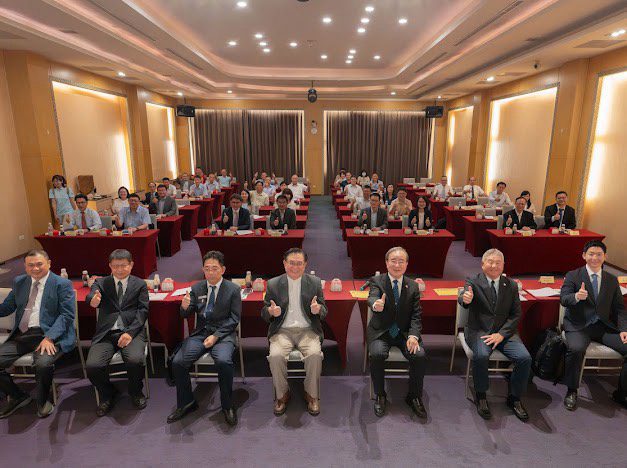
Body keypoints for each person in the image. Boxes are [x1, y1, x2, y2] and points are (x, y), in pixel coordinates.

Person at [167, 251, 241, 425]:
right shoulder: (197, 288)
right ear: (203, 270)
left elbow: (234, 319)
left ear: (223, 269)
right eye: (207, 269)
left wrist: (216, 336)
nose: (210, 272)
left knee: (223, 361)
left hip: (223, 334)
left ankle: (227, 405)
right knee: (178, 362)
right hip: (201, 333)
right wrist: (184, 307)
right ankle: (187, 402)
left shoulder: (233, 289)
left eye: (215, 268)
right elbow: (186, 313)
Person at [458, 248, 532, 422]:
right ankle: (481, 396)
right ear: (483, 264)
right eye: (490, 262)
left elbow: (516, 314)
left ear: (503, 265)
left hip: (505, 333)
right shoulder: (473, 281)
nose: (494, 266)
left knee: (525, 358)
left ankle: (515, 398)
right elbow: (464, 297)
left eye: (498, 263)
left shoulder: (511, 285)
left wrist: (501, 334)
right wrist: (465, 299)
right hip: (479, 331)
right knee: (481, 355)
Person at [0, 250, 75, 419]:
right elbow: (7, 307)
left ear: (49, 263)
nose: (35, 268)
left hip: (49, 334)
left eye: (39, 264)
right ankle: (18, 396)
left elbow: (66, 315)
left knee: (43, 364)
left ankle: (43, 400)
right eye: (31, 265)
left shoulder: (61, 284)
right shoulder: (20, 282)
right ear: (25, 267)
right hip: (24, 334)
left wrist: (50, 337)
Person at [559, 240, 627, 411]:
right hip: (578, 326)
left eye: (599, 254)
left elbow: (619, 308)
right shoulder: (573, 275)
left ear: (605, 257)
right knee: (576, 349)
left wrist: (624, 329)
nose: (595, 258)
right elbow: (564, 299)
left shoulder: (612, 280)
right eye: (591, 254)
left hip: (603, 327)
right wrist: (576, 296)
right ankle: (572, 390)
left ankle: (622, 393)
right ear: (584, 255)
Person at [262, 248, 327, 416]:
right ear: (284, 264)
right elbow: (264, 312)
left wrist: (318, 309)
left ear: (305, 265)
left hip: (308, 330)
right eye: (291, 263)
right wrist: (270, 312)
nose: (295, 267)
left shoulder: (315, 282)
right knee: (275, 356)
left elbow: (324, 310)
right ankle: (282, 394)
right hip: (282, 331)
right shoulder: (273, 284)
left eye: (299, 263)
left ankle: (311, 394)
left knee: (314, 355)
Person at [85, 249, 149, 416]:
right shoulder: (101, 282)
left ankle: (136, 392)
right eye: (115, 266)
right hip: (106, 334)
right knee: (92, 366)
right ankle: (107, 394)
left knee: (135, 360)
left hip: (131, 331)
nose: (119, 270)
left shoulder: (140, 284)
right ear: (110, 266)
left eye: (123, 265)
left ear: (131, 265)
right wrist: (93, 301)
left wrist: (130, 333)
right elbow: (91, 296)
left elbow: (143, 311)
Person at [368, 247, 427, 418]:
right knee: (377, 354)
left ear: (407, 264)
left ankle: (414, 396)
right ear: (386, 263)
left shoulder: (413, 285)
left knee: (419, 355)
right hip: (381, 332)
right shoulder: (377, 281)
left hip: (404, 333)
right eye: (393, 261)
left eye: (401, 261)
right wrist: (375, 304)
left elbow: (416, 315)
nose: (397, 265)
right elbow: (372, 297)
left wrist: (413, 336)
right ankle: (380, 395)